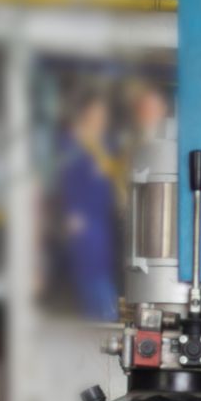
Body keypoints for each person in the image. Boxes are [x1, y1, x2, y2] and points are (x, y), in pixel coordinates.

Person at [55, 87, 121, 321]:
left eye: (103, 116)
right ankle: (103, 318)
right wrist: (71, 213)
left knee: (101, 270)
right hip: (82, 222)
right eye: (94, 115)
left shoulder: (106, 145)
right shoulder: (71, 144)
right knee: (89, 275)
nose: (99, 120)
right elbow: (62, 181)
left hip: (103, 220)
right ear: (84, 114)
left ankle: (105, 317)